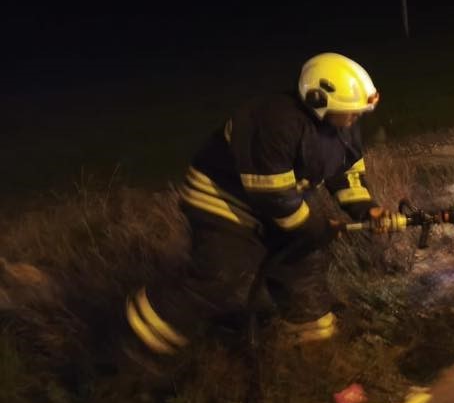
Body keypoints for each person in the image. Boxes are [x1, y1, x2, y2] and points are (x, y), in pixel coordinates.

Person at [121, 53, 388, 366]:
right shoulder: (273, 123)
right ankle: (137, 339)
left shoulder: (342, 127)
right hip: (223, 197)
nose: (356, 118)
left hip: (279, 197)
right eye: (350, 111)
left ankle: (310, 348)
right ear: (317, 100)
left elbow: (346, 173)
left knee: (304, 263)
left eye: (358, 112)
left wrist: (364, 208)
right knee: (223, 271)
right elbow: (272, 196)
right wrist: (313, 228)